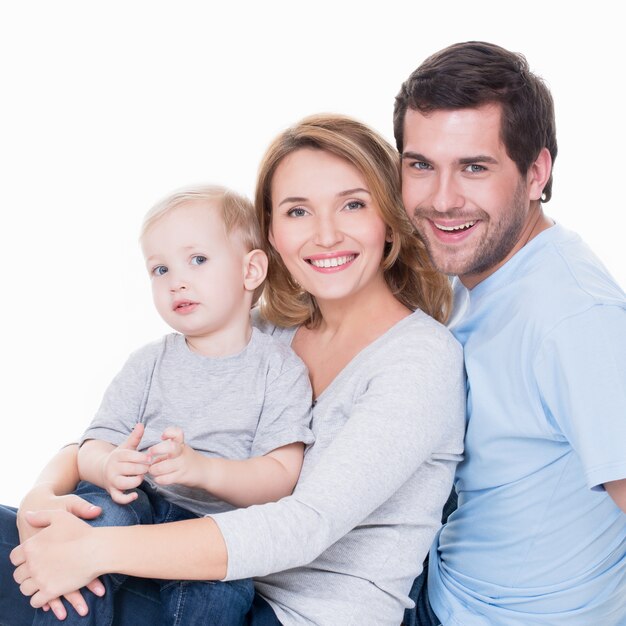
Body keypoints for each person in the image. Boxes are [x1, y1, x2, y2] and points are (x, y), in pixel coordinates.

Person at [1, 114, 466, 625]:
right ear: (270, 235)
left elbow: (303, 525)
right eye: (297, 211)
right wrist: (40, 501)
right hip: (178, 568)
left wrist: (93, 550)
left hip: (289, 612)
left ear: (389, 218)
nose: (325, 234)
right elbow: (102, 440)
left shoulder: (419, 358)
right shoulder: (262, 332)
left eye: (353, 204)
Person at [394, 41, 626, 625]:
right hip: (444, 582)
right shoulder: (472, 270)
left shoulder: (575, 319)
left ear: (535, 173)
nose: (442, 200)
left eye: (474, 167)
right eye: (421, 165)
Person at [12, 185, 316, 625]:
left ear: (251, 271)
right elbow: (91, 446)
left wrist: (204, 470)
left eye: (198, 260)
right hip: (139, 502)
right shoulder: (149, 363)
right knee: (96, 518)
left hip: (209, 532)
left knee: (225, 592)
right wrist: (109, 465)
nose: (177, 280)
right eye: (159, 269)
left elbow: (281, 476)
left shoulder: (280, 370)